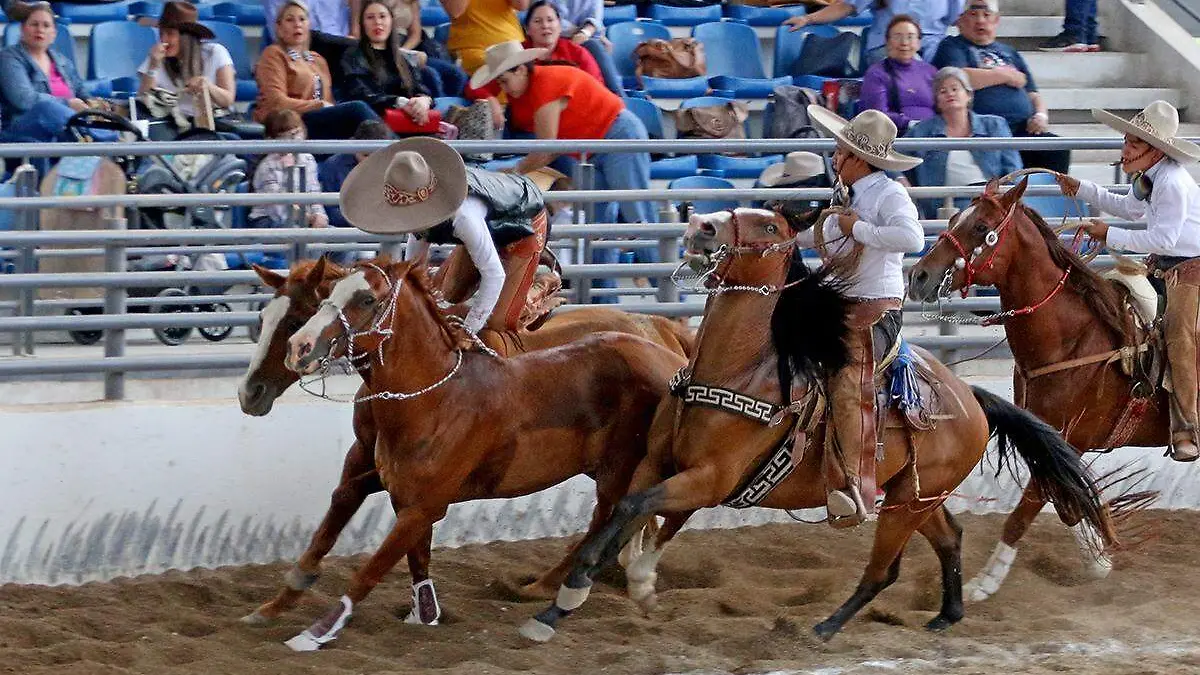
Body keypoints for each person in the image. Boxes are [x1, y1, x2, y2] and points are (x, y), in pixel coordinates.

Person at [799, 106, 925, 527]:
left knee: (847, 375)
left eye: (839, 152)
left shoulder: (890, 195)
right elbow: (823, 234)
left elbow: (913, 237)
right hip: (839, 301)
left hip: (876, 310)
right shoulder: (846, 197)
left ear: (857, 157)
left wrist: (860, 231)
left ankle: (853, 485)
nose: (834, 159)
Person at [1055, 100, 1200, 462]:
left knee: (1179, 337)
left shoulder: (1172, 182)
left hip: (1190, 268)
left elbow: (1163, 239)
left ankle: (1187, 428)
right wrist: (1082, 188)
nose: (1125, 149)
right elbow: (1129, 208)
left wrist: (1108, 235)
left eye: (1133, 144)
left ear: (1154, 150)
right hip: (1166, 264)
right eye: (1126, 141)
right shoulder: (1150, 177)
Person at [339, 136, 550, 339]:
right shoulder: (424, 205)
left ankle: (539, 286)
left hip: (524, 224)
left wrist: (468, 331)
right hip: (489, 224)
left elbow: (494, 275)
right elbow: (413, 270)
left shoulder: (464, 217)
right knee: (445, 296)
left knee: (498, 324)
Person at [471, 41, 657, 228]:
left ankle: (659, 256)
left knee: (636, 215)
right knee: (598, 225)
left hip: (615, 136)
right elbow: (550, 147)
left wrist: (515, 171)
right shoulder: (535, 89)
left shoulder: (543, 85)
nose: (504, 88)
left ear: (520, 70)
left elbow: (547, 149)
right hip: (597, 146)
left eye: (504, 81)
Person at [931, 0, 1070, 174]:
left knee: (1056, 148)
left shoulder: (1009, 51)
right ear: (960, 21)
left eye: (987, 15)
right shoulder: (952, 46)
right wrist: (1005, 75)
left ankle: (1051, 200)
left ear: (996, 21)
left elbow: (1033, 93)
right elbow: (958, 79)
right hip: (983, 129)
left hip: (1022, 128)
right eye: (973, 15)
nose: (980, 21)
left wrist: (1041, 115)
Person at [904, 66, 1021, 218]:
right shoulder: (922, 130)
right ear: (937, 102)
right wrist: (900, 179)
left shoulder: (995, 126)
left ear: (968, 95)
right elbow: (891, 154)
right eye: (942, 91)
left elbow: (1014, 170)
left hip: (989, 200)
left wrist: (1004, 199)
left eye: (955, 88)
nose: (950, 94)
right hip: (945, 204)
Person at [254, 0, 380, 139]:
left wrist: (322, 107)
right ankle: (393, 148)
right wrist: (317, 105)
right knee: (357, 109)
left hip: (317, 120)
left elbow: (328, 102)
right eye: (290, 20)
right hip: (289, 123)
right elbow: (276, 102)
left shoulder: (318, 59)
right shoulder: (273, 54)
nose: (297, 24)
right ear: (279, 28)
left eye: (302, 19)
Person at [0, 1, 93, 143]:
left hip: (64, 130)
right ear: (22, 29)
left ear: (54, 34)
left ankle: (104, 140)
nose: (40, 30)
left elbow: (81, 91)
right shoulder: (9, 57)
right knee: (46, 108)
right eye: (34, 24)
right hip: (22, 129)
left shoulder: (62, 61)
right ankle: (95, 139)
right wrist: (67, 104)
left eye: (46, 25)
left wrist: (92, 104)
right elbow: (24, 100)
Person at [137, 2, 236, 132]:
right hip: (172, 124)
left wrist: (208, 86)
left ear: (186, 37)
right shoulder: (157, 57)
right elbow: (144, 100)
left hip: (213, 122)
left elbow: (228, 99)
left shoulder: (215, 52)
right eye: (161, 33)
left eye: (170, 33)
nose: (163, 39)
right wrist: (152, 67)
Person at [785, 0, 962, 66]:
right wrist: (807, 19)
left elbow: (957, 18)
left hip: (933, 45)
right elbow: (846, 6)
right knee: (912, 67)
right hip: (888, 46)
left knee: (953, 69)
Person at [339, 0, 435, 118]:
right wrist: (398, 102)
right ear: (362, 23)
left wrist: (424, 100)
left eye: (383, 16)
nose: (378, 22)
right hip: (375, 119)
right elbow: (360, 93)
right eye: (370, 17)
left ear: (391, 22)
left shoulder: (402, 59)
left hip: (409, 119)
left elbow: (420, 88)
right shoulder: (352, 56)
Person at [248, 109, 330, 230]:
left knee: (338, 237)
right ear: (271, 140)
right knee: (299, 237)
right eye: (286, 136)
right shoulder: (267, 166)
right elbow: (278, 210)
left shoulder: (308, 159)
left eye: (297, 132)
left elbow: (314, 193)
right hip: (269, 220)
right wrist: (308, 219)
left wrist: (320, 216)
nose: (294, 139)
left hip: (304, 220)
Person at [858, 15, 937, 134]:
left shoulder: (930, 71)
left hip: (935, 134)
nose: (904, 43)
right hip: (897, 136)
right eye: (897, 37)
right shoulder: (876, 73)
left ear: (919, 42)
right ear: (887, 41)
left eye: (910, 37)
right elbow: (876, 115)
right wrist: (911, 124)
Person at [320, 119, 395, 231]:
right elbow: (331, 212)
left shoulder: (395, 164)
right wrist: (364, 221)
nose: (371, 161)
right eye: (365, 155)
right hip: (348, 234)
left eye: (377, 156)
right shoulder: (332, 166)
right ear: (353, 143)